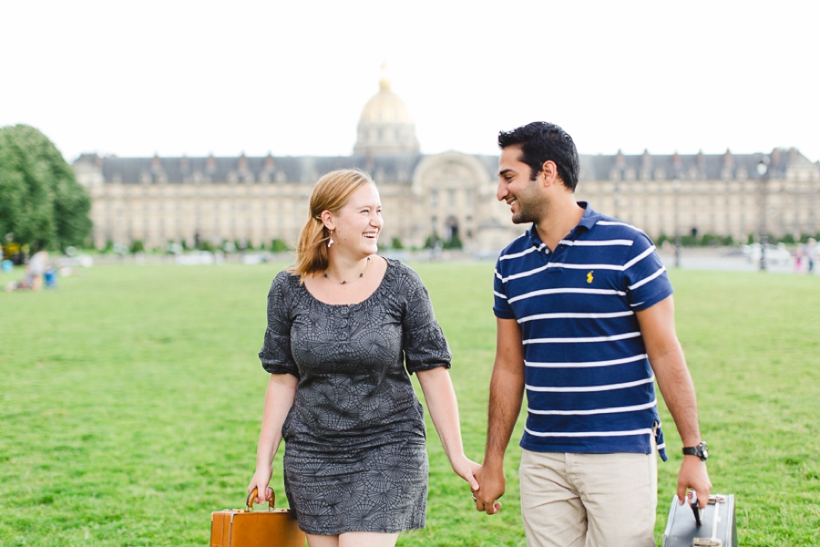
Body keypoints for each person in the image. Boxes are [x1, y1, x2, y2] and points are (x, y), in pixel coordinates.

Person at [473, 122, 711, 547]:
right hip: (542, 457)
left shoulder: (629, 248)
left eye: (508, 177)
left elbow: (666, 354)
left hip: (618, 453)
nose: (500, 192)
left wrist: (693, 452)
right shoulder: (509, 264)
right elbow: (509, 367)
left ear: (547, 173)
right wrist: (494, 461)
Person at [248, 169, 479, 547]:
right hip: (312, 454)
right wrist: (263, 464)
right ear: (329, 219)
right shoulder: (287, 289)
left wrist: (457, 454)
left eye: (380, 211)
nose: (377, 222)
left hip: (387, 446)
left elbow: (432, 370)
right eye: (365, 212)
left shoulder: (402, 284)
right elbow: (282, 378)